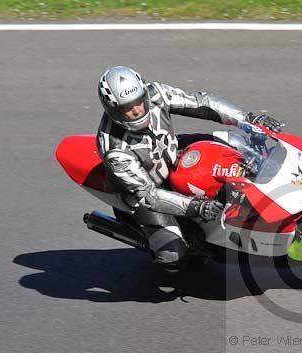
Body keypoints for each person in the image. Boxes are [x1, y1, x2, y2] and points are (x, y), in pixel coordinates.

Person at [96, 65, 284, 272]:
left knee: (231, 144)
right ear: (113, 111)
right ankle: (188, 246)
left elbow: (201, 103)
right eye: (126, 108)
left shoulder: (155, 93)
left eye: (139, 101)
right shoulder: (115, 149)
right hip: (145, 194)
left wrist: (248, 119)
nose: (137, 110)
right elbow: (149, 196)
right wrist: (196, 206)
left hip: (172, 151)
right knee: (173, 255)